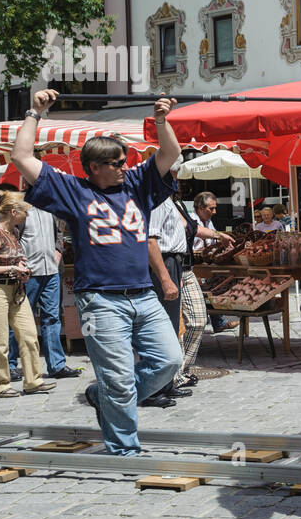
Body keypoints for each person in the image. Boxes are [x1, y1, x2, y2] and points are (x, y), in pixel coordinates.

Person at [12, 89, 183, 457]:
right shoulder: (73, 190)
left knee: (170, 361)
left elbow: (170, 154)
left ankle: (101, 395)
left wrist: (161, 121)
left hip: (143, 294)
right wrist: (34, 113)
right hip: (101, 301)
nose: (125, 165)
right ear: (94, 167)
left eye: (125, 160)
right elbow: (21, 156)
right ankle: (124, 450)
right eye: (117, 162)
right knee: (118, 379)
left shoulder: (138, 184)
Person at [149, 186, 233, 402]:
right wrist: (166, 277)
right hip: (168, 265)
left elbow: (193, 228)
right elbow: (150, 241)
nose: (177, 184)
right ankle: (169, 378)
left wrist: (218, 235)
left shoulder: (174, 203)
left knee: (198, 320)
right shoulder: (156, 200)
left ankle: (181, 370)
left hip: (185, 267)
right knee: (172, 325)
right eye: (172, 178)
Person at [0, 192, 55, 398]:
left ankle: (33, 381)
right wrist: (11, 270)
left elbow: (10, 260)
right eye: (25, 211)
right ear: (14, 212)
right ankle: (0, 385)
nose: (27, 215)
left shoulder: (14, 231)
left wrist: (20, 269)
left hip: (16, 290)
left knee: (29, 336)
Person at [21, 200, 82, 379]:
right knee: (21, 319)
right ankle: (12, 364)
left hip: (51, 270)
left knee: (52, 318)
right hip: (28, 272)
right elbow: (10, 233)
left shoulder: (50, 205)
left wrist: (58, 249)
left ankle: (57, 365)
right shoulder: (20, 206)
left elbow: (59, 232)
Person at [192, 191, 238, 333]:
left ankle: (219, 322)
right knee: (202, 292)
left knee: (215, 287)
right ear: (200, 208)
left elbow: (212, 241)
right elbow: (198, 235)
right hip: (193, 263)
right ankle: (200, 325)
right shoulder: (191, 219)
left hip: (207, 262)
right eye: (211, 208)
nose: (214, 211)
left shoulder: (208, 221)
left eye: (215, 208)